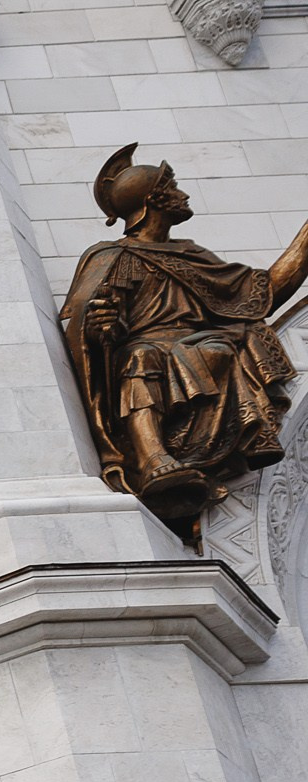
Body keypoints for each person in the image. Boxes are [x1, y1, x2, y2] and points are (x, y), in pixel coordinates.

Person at [61, 145, 307, 528]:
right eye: (172, 187)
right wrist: (101, 325)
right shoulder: (112, 255)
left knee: (228, 343)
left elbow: (261, 295)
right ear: (153, 200)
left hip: (198, 347)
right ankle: (152, 459)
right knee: (141, 356)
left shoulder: (193, 255)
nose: (183, 194)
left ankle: (247, 430)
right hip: (144, 350)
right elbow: (84, 324)